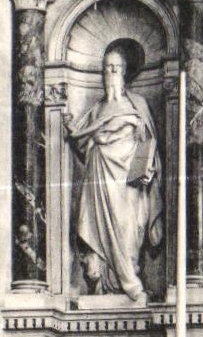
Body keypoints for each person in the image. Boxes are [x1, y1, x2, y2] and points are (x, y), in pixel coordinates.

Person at [63, 41, 163, 300]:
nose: (110, 74)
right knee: (98, 228)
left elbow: (149, 144)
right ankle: (104, 284)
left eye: (116, 68)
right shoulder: (97, 109)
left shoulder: (138, 104)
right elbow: (82, 142)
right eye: (106, 68)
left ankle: (128, 281)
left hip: (128, 180)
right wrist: (73, 127)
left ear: (126, 72)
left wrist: (149, 167)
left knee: (128, 227)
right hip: (99, 176)